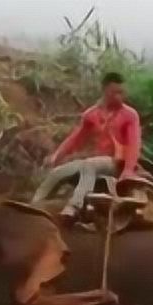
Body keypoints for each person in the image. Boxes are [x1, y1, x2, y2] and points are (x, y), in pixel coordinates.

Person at [32, 71, 142, 219]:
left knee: (89, 164)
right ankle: (33, 205)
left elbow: (134, 144)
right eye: (115, 93)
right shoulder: (92, 114)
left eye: (121, 93)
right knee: (57, 173)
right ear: (104, 91)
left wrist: (128, 169)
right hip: (94, 163)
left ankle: (74, 205)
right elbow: (75, 138)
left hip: (115, 162)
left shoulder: (130, 115)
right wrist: (57, 156)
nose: (119, 96)